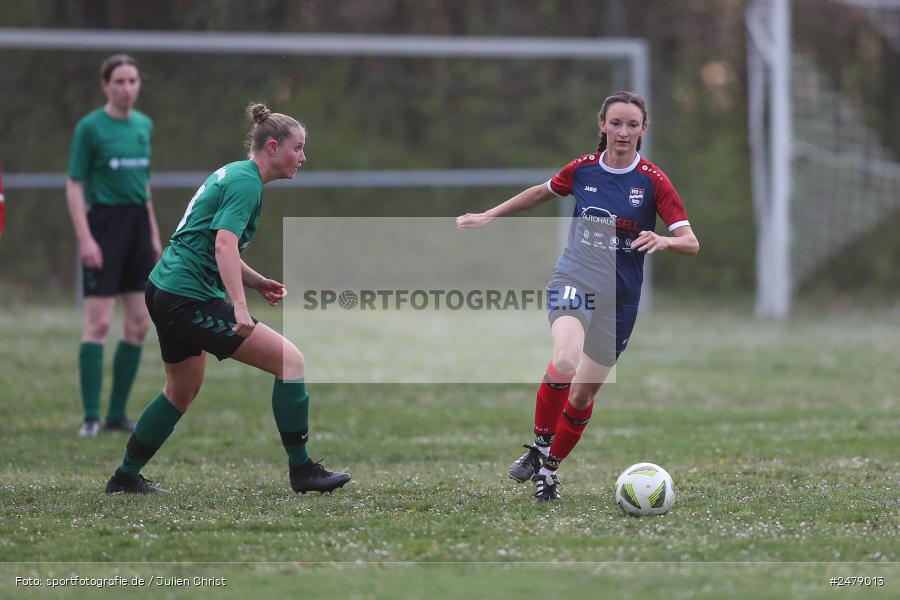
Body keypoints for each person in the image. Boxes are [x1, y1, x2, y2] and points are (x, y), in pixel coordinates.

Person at [457, 91, 699, 502]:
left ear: (644, 130)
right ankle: (540, 445)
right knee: (565, 359)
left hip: (620, 296)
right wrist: (490, 214)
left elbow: (690, 242)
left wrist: (663, 239)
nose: (623, 132)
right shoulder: (583, 170)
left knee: (584, 394)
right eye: (616, 123)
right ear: (602, 126)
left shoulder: (653, 180)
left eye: (632, 125)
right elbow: (539, 192)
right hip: (576, 277)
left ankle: (549, 470)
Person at [104, 103, 351, 495]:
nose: (303, 157)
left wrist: (254, 282)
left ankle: (124, 478)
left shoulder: (238, 175)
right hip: (187, 296)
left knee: (180, 391)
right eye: (298, 148)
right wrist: (239, 307)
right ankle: (303, 471)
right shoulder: (247, 182)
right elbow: (223, 244)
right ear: (273, 146)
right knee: (290, 361)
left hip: (166, 288)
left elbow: (214, 245)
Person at [66, 54, 162, 437]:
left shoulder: (144, 125)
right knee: (100, 322)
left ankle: (116, 414)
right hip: (104, 224)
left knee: (138, 324)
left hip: (138, 224)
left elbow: (145, 187)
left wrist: (153, 234)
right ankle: (90, 416)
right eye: (119, 81)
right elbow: (74, 185)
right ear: (105, 85)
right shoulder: (89, 128)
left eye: (133, 81)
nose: (127, 88)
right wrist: (85, 237)